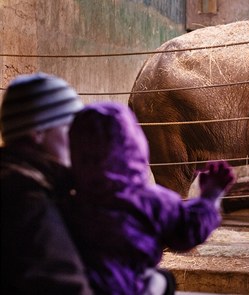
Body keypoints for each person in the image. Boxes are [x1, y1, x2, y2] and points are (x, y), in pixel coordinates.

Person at [63, 102, 235, 295]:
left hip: (82, 287)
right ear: (136, 145)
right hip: (133, 288)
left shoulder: (67, 202)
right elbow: (189, 231)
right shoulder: (153, 202)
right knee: (161, 281)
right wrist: (210, 197)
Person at [0, 73, 93, 294]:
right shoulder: (26, 200)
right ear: (37, 132)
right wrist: (153, 286)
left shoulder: (23, 183)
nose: (78, 139)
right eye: (69, 128)